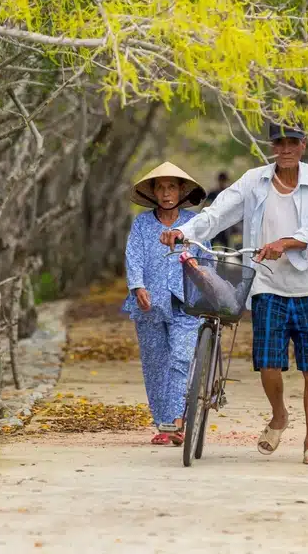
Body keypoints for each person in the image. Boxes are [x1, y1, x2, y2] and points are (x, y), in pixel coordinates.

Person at [161, 123, 308, 466]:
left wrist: (285, 243)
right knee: (269, 365)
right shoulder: (254, 181)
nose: (285, 149)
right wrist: (182, 231)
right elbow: (217, 214)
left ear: (303, 146)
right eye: (279, 143)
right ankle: (279, 416)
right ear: (273, 146)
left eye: (292, 143)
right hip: (267, 284)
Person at [123, 162, 207, 446]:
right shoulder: (142, 223)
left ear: (182, 190)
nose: (167, 192)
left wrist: (202, 273)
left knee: (181, 359)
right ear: (153, 192)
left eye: (172, 186)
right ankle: (162, 423)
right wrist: (137, 287)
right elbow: (133, 256)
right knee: (155, 364)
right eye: (161, 187)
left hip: (187, 303)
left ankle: (177, 421)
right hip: (149, 304)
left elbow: (205, 258)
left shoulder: (194, 223)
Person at [206, 172, 234, 248]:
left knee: (226, 245)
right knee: (210, 244)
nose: (222, 182)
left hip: (225, 223)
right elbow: (206, 206)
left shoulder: (229, 193)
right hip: (214, 222)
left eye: (224, 180)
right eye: (221, 180)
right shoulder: (213, 193)